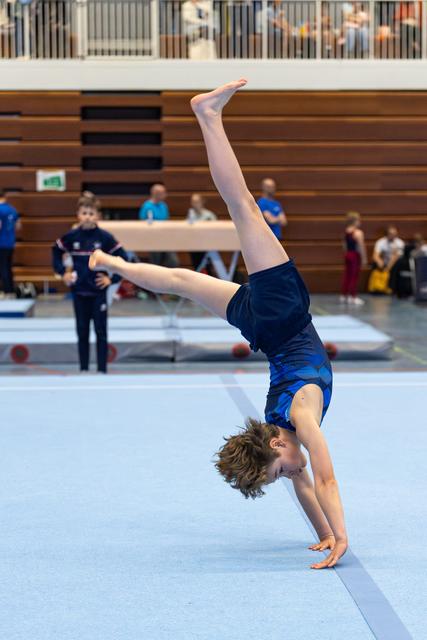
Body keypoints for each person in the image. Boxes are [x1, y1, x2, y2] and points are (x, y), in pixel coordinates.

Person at [89, 80, 348, 570]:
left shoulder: (300, 417)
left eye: (277, 472)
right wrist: (324, 533)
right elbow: (308, 487)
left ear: (275, 444)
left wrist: (342, 538)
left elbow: (327, 483)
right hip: (261, 329)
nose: (289, 474)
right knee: (182, 280)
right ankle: (112, 262)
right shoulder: (281, 431)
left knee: (243, 207)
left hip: (282, 318)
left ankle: (208, 115)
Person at [52, 196, 128, 373]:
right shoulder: (71, 237)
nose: (87, 216)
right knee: (82, 331)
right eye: (84, 213)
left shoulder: (105, 238)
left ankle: (102, 369)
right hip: (79, 292)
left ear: (97, 216)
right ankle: (83, 369)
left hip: (98, 292)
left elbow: (124, 258)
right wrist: (63, 273)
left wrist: (112, 279)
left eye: (91, 213)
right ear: (78, 215)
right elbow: (56, 251)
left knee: (101, 332)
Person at [138, 183, 179, 269]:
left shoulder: (163, 205)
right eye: (163, 193)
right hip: (153, 238)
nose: (165, 195)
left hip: (165, 237)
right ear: (155, 193)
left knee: (173, 261)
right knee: (156, 263)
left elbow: (166, 220)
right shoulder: (147, 206)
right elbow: (142, 223)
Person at [340, 211, 367, 305]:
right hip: (355, 255)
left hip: (348, 254)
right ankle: (353, 296)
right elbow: (361, 246)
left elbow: (344, 245)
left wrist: (346, 253)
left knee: (347, 275)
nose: (360, 222)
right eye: (359, 220)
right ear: (355, 221)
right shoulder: (358, 233)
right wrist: (364, 258)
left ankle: (344, 295)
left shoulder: (346, 231)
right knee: (354, 276)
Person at [187, 193, 217, 272]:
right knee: (196, 266)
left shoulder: (209, 215)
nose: (194, 204)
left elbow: (215, 230)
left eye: (196, 202)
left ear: (202, 202)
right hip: (194, 245)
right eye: (193, 202)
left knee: (207, 267)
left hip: (206, 245)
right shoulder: (191, 214)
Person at [0, 189, 21, 297]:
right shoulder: (13, 210)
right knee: (8, 267)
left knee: (2, 267)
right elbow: (18, 226)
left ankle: (6, 291)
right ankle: (10, 290)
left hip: (1, 243)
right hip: (10, 242)